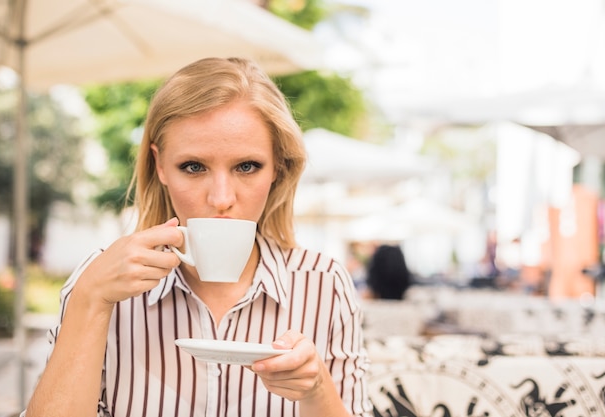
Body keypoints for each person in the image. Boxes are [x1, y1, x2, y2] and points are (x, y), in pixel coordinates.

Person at [24, 57, 372, 417]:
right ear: (160, 166)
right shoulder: (100, 281)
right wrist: (90, 299)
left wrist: (316, 390)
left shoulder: (323, 284)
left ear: (278, 167)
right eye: (193, 167)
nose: (221, 198)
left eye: (246, 166)